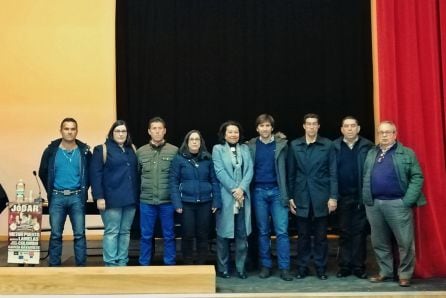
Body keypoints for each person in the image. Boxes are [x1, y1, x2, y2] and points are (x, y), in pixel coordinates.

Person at [363, 121, 426, 287]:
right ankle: (386, 272)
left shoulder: (406, 153)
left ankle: (404, 275)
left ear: (395, 134)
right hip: (374, 204)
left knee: (404, 242)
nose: (384, 135)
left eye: (388, 132)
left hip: (398, 204)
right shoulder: (371, 153)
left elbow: (417, 177)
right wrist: (367, 200)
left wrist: (407, 201)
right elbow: (366, 176)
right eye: (381, 132)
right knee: (379, 242)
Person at [287, 113, 338, 280]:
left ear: (318, 126)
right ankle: (302, 267)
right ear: (304, 126)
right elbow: (291, 174)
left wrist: (333, 197)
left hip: (321, 197)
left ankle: (321, 268)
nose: (311, 127)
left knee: (321, 237)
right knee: (302, 236)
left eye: (314, 124)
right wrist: (290, 197)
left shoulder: (328, 145)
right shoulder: (295, 145)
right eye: (308, 124)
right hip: (301, 196)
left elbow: (333, 173)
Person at [38, 117, 91, 266]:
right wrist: (51, 189)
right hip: (57, 197)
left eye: (73, 129)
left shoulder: (84, 151)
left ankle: (81, 268)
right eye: (66, 129)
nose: (69, 132)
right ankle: (54, 268)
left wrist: (83, 190)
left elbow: (90, 174)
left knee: (80, 235)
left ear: (77, 131)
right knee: (55, 235)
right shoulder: (51, 151)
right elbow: (43, 172)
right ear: (61, 130)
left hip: (77, 198)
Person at [247, 114, 293, 281]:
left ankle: (284, 267)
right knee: (263, 232)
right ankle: (265, 266)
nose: (265, 129)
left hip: (277, 191)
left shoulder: (282, 145)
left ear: (272, 127)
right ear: (257, 128)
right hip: (258, 191)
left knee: (282, 231)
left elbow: (289, 171)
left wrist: (288, 195)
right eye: (261, 126)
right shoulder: (251, 146)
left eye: (267, 126)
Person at [90, 120, 139, 266]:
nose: (121, 134)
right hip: (111, 200)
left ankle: (122, 262)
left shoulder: (132, 149)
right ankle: (111, 264)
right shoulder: (102, 150)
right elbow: (95, 175)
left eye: (123, 131)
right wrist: (99, 197)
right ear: (112, 133)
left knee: (125, 232)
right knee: (112, 232)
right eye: (117, 131)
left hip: (130, 199)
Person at [169, 130, 221, 265]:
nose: (194, 142)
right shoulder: (178, 159)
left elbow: (215, 181)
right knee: (187, 234)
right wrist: (177, 203)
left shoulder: (207, 159)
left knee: (203, 234)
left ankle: (201, 264)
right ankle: (188, 264)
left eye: (197, 139)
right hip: (186, 203)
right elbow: (173, 182)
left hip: (205, 202)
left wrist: (216, 201)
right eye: (191, 139)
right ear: (187, 142)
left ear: (201, 142)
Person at [333, 116, 373, 279]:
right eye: (346, 126)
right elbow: (331, 172)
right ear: (342, 129)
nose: (349, 129)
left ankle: (358, 266)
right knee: (344, 232)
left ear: (358, 128)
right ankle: (344, 266)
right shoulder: (335, 146)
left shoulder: (367, 146)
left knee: (359, 233)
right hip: (342, 197)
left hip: (360, 197)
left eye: (353, 126)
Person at [212, 120, 253, 279]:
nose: (233, 134)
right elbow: (219, 171)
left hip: (243, 197)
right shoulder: (218, 149)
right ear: (224, 134)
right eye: (230, 132)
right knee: (223, 235)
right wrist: (234, 189)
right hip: (226, 197)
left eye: (236, 132)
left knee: (242, 235)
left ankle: (241, 268)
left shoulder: (245, 148)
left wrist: (241, 189)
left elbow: (250, 170)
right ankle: (223, 268)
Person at [137, 117, 178, 266]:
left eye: (160, 128)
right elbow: (136, 176)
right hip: (147, 202)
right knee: (146, 236)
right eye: (154, 128)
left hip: (167, 202)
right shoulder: (141, 152)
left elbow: (178, 177)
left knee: (169, 235)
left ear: (165, 130)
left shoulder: (174, 151)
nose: (157, 131)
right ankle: (144, 265)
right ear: (149, 131)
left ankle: (170, 265)